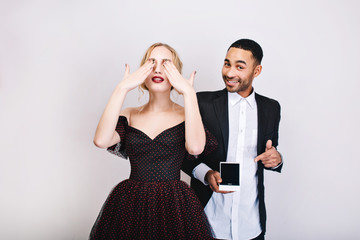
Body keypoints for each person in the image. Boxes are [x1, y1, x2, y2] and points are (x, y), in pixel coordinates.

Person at [89, 43, 216, 239]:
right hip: (132, 203)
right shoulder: (129, 115)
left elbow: (196, 147)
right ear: (142, 72)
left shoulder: (187, 115)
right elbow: (101, 140)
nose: (157, 69)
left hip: (175, 205)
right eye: (151, 62)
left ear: (175, 73)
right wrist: (122, 88)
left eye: (166, 64)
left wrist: (189, 93)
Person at [182, 39, 283, 240]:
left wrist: (276, 159)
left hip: (251, 225)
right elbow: (182, 154)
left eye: (239, 67)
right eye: (227, 64)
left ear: (257, 71)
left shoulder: (271, 108)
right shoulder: (201, 103)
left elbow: (271, 152)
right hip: (207, 222)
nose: (229, 73)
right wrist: (206, 174)